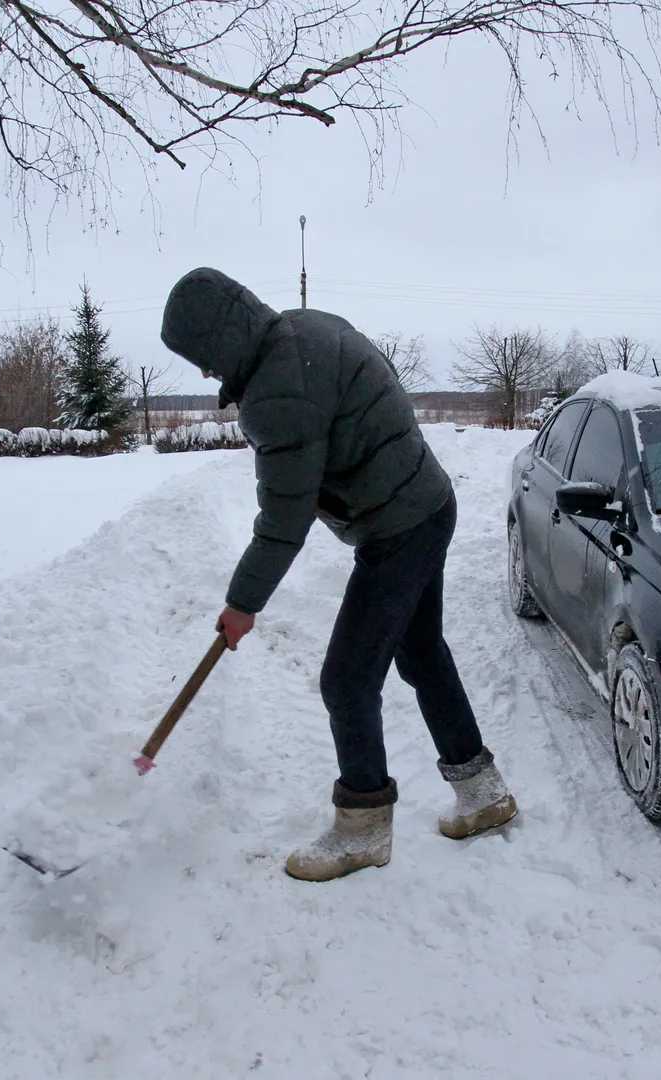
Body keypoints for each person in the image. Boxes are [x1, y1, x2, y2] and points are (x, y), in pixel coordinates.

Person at [159, 267, 517, 882]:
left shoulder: (277, 394)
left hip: (398, 526)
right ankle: (482, 793)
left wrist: (243, 602)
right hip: (427, 502)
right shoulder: (302, 329)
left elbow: (283, 518)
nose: (204, 374)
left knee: (347, 681)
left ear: (219, 341)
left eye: (201, 358)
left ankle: (363, 827)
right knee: (422, 652)